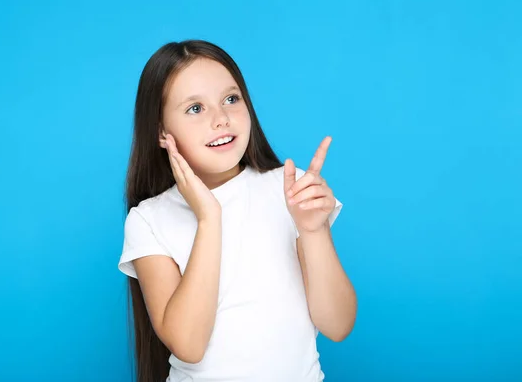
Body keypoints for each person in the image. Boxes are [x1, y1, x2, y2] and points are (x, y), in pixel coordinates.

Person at [118, 39, 357, 382]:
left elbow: (338, 325)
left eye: (231, 99)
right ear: (161, 132)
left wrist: (313, 231)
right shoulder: (149, 219)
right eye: (195, 108)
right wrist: (208, 218)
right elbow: (188, 344)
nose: (221, 119)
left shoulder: (290, 189)